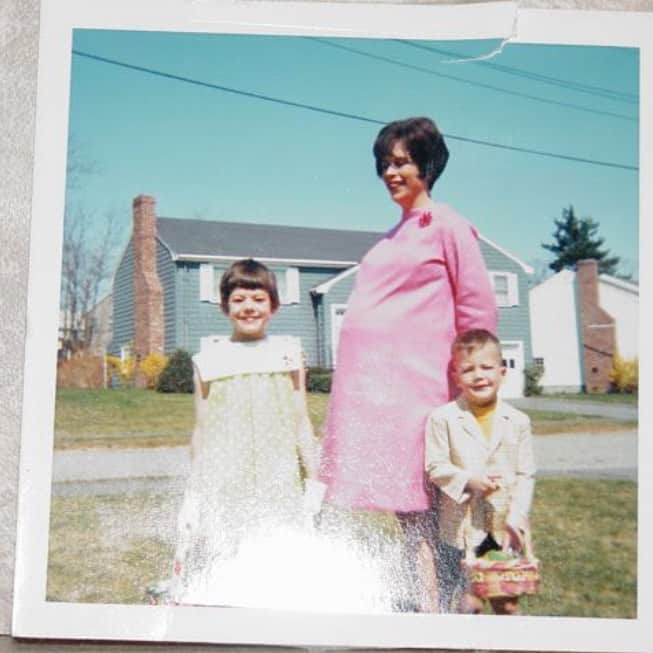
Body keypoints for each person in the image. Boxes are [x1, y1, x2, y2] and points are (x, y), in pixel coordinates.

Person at [318, 116, 497, 611]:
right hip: (376, 395)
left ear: (428, 165)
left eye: (402, 162)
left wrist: (474, 384)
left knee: (443, 503)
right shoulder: (390, 237)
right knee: (406, 509)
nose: (391, 173)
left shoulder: (450, 227)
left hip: (422, 390)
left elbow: (477, 310)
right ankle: (425, 605)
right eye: (384, 164)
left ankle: (461, 601)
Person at [169, 258, 322, 605]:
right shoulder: (207, 360)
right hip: (227, 477)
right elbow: (202, 427)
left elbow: (301, 419)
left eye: (258, 299)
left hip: (278, 477)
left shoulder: (289, 355)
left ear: (274, 306)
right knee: (228, 553)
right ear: (225, 307)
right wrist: (195, 486)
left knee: (280, 556)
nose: (248, 307)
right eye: (238, 300)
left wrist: (313, 477)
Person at [425, 329, 536, 615]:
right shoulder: (443, 418)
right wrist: (469, 481)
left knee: (506, 601)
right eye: (468, 369)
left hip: (504, 527)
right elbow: (435, 466)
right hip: (462, 529)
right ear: (456, 376)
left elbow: (526, 475)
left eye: (486, 367)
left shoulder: (518, 421)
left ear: (502, 372)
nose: (479, 375)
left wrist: (518, 515)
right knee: (468, 601)